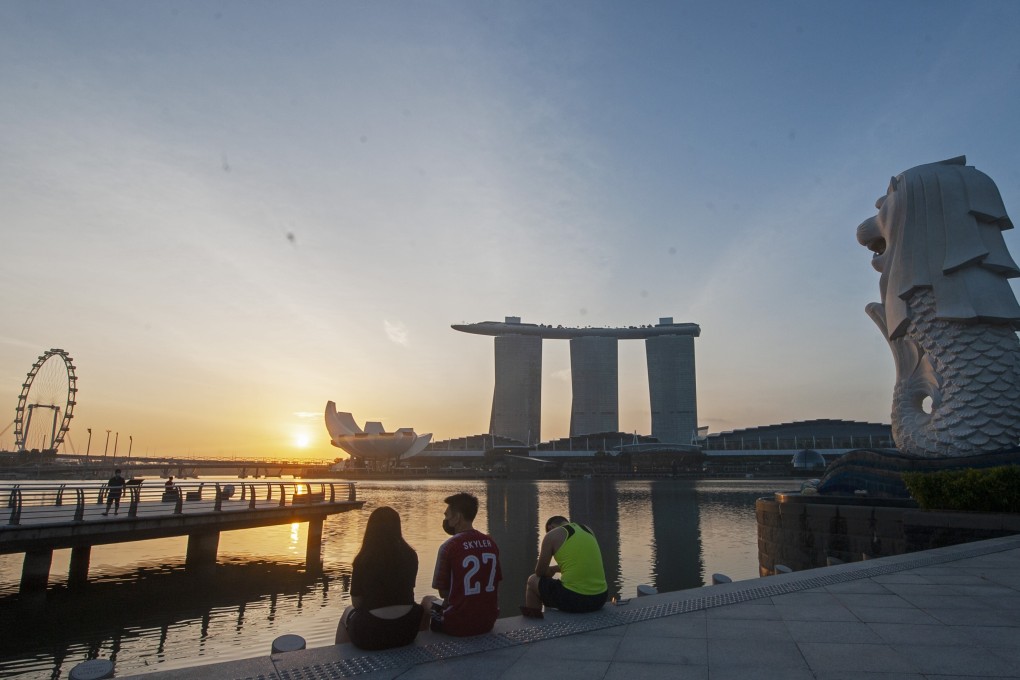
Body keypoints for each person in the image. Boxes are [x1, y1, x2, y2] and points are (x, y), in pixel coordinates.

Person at [335, 506, 423, 650]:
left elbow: (357, 603)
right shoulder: (411, 555)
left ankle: (340, 659)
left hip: (371, 634)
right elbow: (410, 590)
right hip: (407, 631)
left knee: (347, 612)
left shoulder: (363, 559)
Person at [421, 492, 501, 636]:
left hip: (457, 624)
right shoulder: (491, 543)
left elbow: (443, 592)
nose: (445, 520)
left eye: (447, 515)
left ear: (457, 517)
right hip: (488, 622)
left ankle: (423, 642)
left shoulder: (449, 547)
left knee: (427, 600)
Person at [522, 515, 608, 617]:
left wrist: (550, 570)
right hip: (600, 598)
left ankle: (533, 623)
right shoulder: (587, 529)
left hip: (575, 600)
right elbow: (581, 562)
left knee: (532, 580)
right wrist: (555, 569)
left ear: (550, 528)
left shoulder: (552, 535)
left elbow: (539, 572)